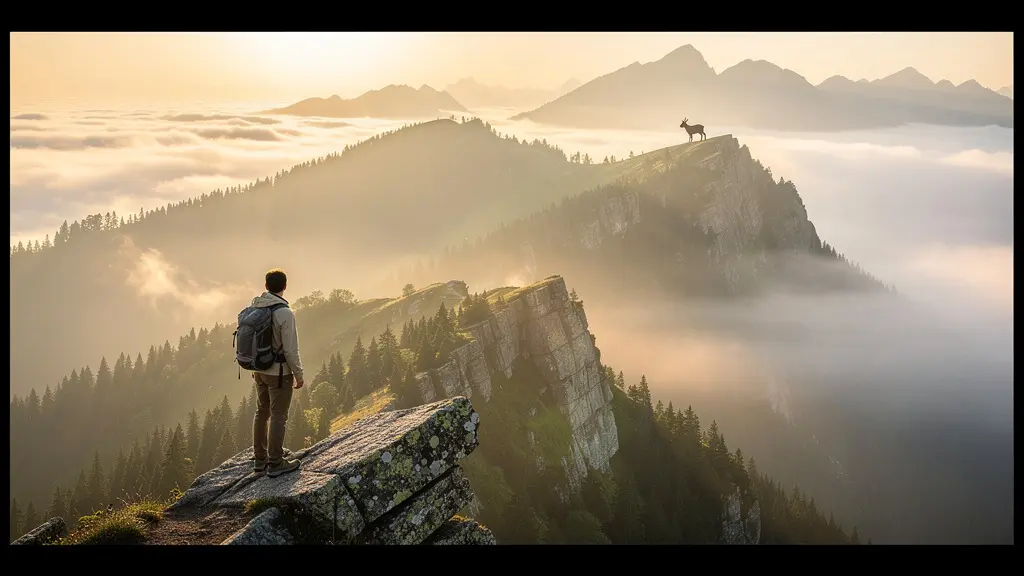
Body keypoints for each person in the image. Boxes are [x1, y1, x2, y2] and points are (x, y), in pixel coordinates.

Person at [251, 268, 305, 477]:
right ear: (285, 287)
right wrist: (299, 375)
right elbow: (291, 349)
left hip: (259, 370)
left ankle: (259, 460)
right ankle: (275, 463)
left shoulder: (255, 308)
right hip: (279, 373)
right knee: (278, 416)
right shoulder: (285, 314)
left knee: (261, 413)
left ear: (266, 286)